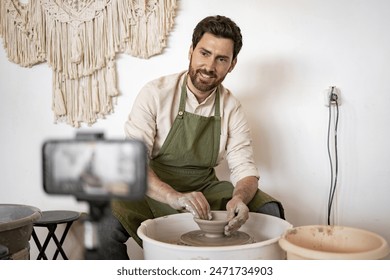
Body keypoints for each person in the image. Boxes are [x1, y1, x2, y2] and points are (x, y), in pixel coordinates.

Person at [98, 15, 284, 259]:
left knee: (269, 209)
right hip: (152, 187)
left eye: (221, 59)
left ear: (233, 64)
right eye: (204, 53)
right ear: (191, 51)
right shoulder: (155, 94)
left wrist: (239, 198)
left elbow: (245, 169)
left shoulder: (231, 107)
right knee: (102, 222)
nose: (209, 66)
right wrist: (173, 196)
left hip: (204, 188)